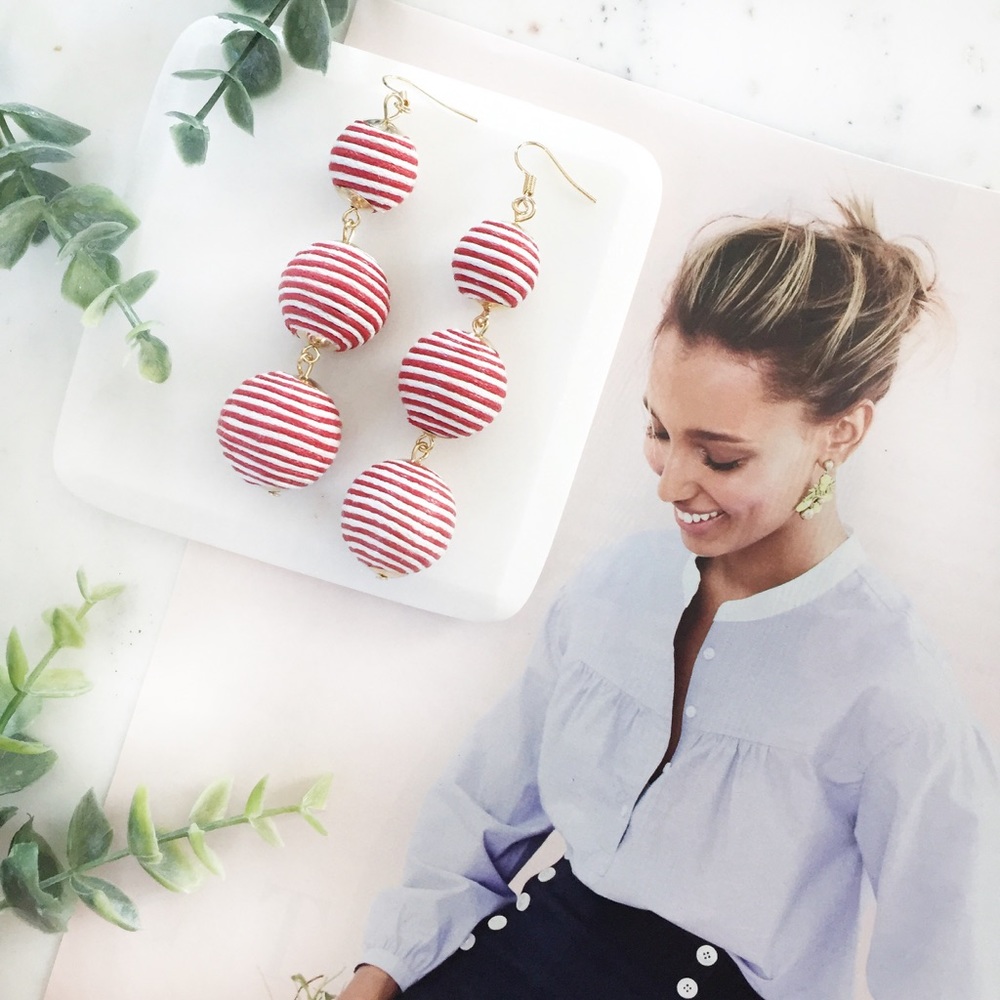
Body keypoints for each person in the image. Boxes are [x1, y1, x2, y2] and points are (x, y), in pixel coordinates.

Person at [337, 199, 1000, 1000]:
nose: (672, 483)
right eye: (660, 431)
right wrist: (379, 973)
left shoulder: (894, 692)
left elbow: (947, 970)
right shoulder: (617, 585)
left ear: (841, 433)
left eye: (721, 458)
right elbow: (480, 808)